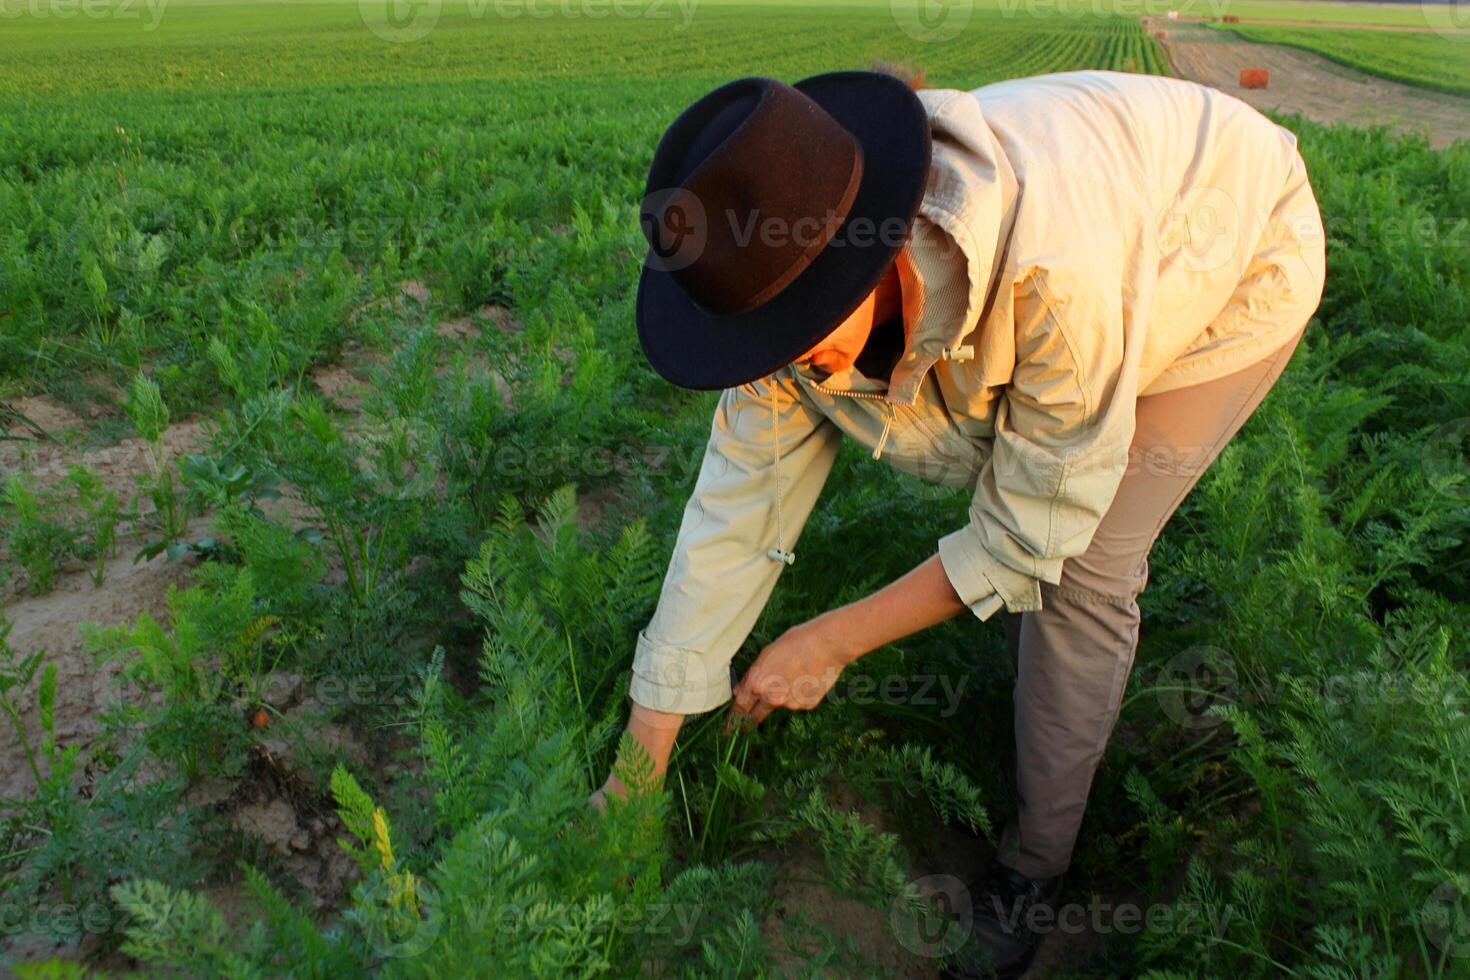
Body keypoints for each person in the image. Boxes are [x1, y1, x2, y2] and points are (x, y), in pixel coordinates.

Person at [596, 65, 1326, 977]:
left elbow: (1034, 526)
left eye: (796, 335)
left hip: (1230, 246)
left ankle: (1034, 871)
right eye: (761, 340)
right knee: (1030, 503)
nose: (785, 367)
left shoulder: (1058, 271)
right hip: (1120, 204)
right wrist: (639, 766)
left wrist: (835, 639)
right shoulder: (774, 279)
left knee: (1087, 565)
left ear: (870, 257)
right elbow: (733, 509)